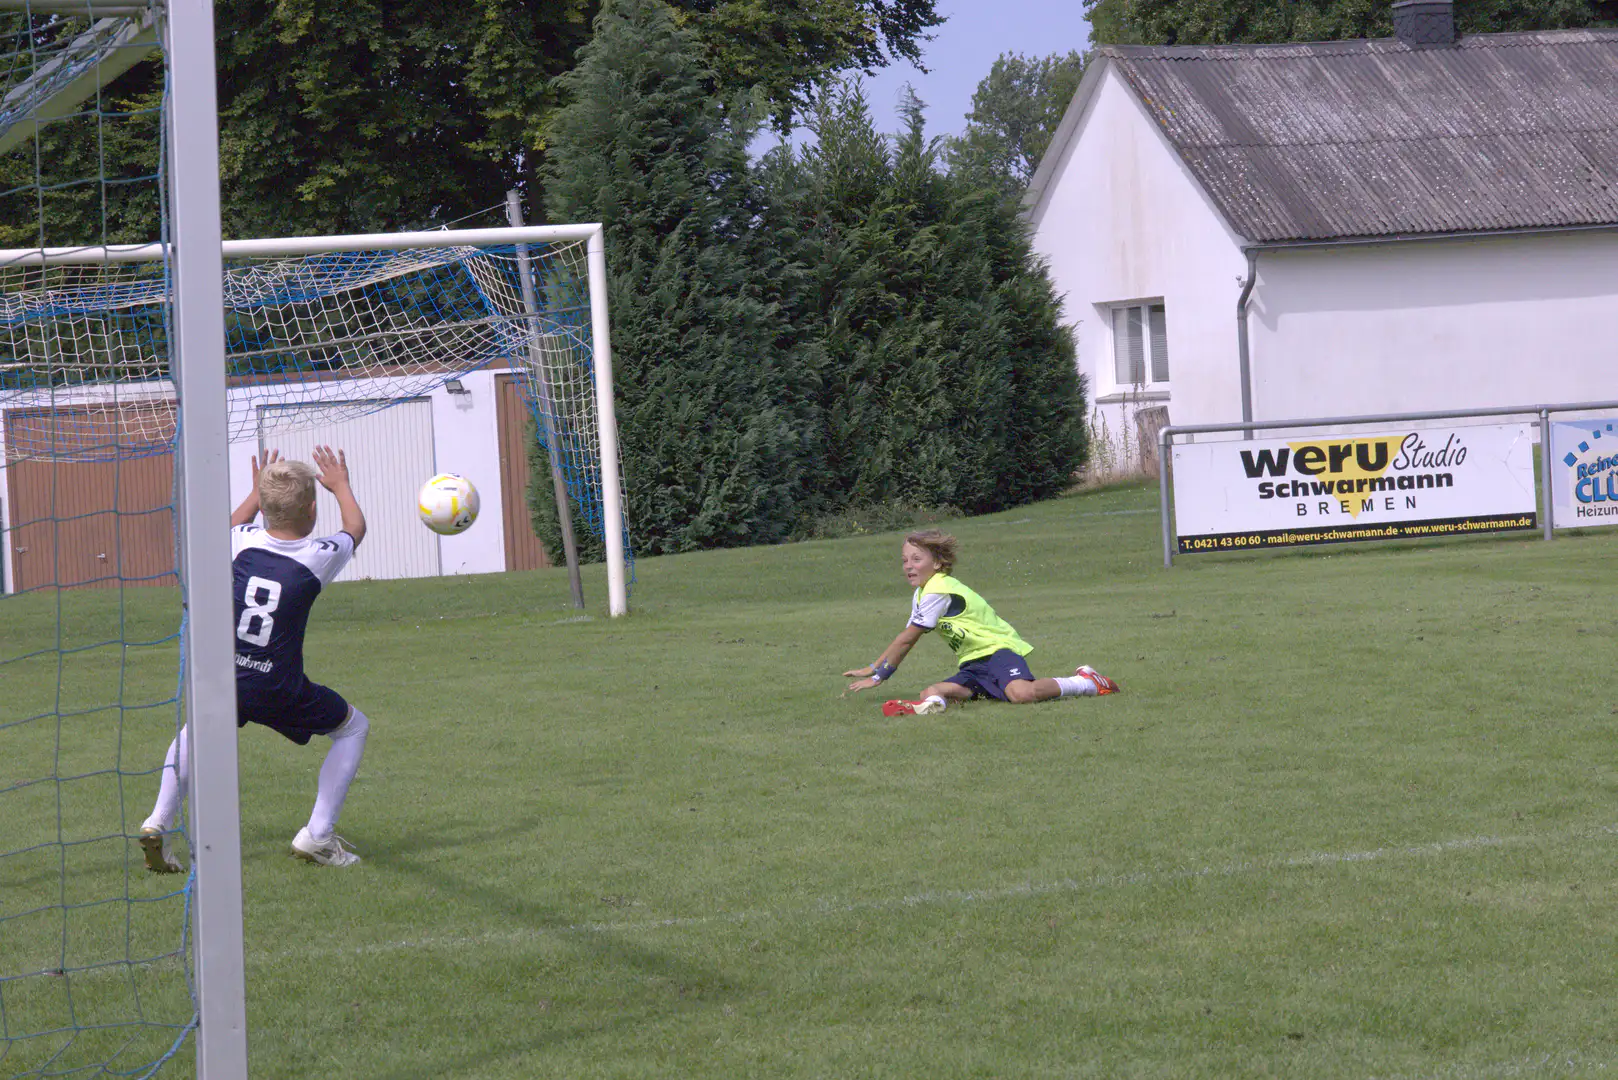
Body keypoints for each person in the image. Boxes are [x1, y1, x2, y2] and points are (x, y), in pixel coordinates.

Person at [139, 445, 370, 871]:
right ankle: (318, 836)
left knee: (195, 733)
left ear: (263, 509)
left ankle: (158, 821)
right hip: (278, 686)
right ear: (312, 510)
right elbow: (355, 527)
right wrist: (340, 485)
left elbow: (232, 523)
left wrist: (256, 491)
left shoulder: (238, 542)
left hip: (226, 678)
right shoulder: (318, 556)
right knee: (353, 727)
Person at [844, 528, 1120, 716]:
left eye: (916, 559)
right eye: (905, 560)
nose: (908, 565)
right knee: (932, 690)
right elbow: (905, 636)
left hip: (998, 651)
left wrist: (878, 674)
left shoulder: (939, 589)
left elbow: (907, 640)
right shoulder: (922, 593)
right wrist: (874, 667)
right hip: (973, 663)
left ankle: (1086, 683)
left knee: (1021, 694)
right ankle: (929, 707)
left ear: (938, 563)